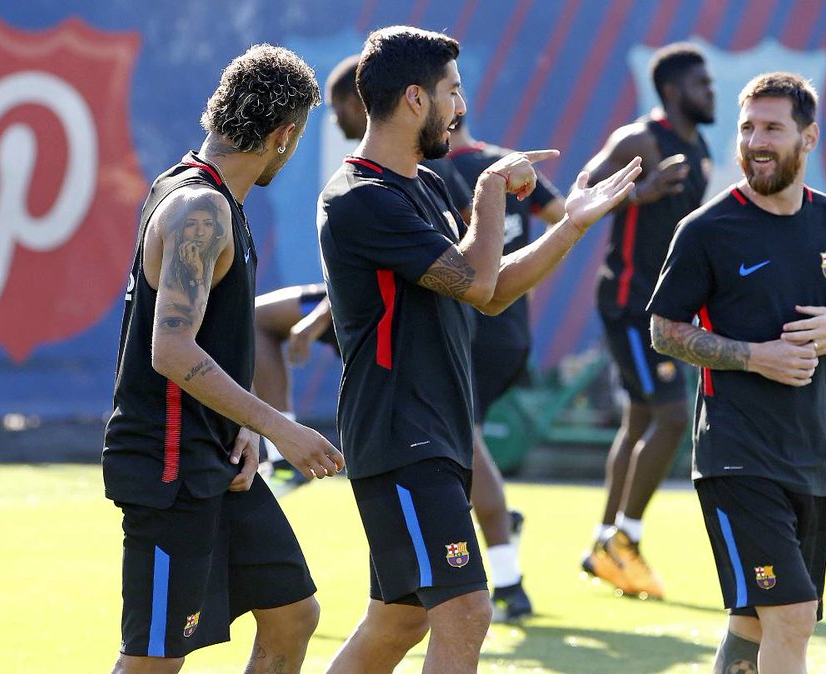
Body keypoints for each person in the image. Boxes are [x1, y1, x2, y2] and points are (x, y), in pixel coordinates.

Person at [317, 26, 639, 673]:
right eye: (452, 92)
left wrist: (571, 223)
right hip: (401, 438)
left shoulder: (425, 187)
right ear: (415, 99)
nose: (460, 107)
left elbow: (487, 295)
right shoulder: (361, 198)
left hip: (433, 433)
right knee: (466, 612)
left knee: (398, 621)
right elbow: (478, 278)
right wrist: (491, 189)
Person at [101, 44, 344, 674]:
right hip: (169, 466)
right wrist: (279, 426)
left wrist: (241, 425)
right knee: (154, 659)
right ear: (285, 135)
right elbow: (171, 349)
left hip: (217, 458)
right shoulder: (199, 207)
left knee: (293, 613)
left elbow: (210, 341)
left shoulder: (203, 196)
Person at [649, 72, 826, 673]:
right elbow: (664, 330)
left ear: (808, 138)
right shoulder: (706, 230)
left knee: (754, 624)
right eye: (747, 127)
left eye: (772, 128)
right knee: (793, 616)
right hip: (735, 458)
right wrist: (755, 356)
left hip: (808, 459)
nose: (756, 140)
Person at [253, 54, 472, 488]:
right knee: (257, 317)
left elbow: (470, 266)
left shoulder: (421, 168)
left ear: (363, 101)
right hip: (390, 308)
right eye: (452, 92)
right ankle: (281, 453)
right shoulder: (359, 185)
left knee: (457, 437)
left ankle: (499, 526)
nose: (335, 122)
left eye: (338, 109)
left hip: (425, 316)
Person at [580, 42, 715, 600]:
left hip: (665, 306)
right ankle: (625, 541)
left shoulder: (700, 145)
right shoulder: (640, 139)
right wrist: (640, 191)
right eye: (701, 84)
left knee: (639, 422)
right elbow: (580, 195)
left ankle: (601, 544)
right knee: (672, 416)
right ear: (672, 90)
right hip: (631, 305)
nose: (711, 92)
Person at [447, 116, 567, 620]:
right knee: (462, 445)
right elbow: (563, 214)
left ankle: (509, 581)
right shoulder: (502, 161)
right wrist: (526, 277)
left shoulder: (443, 170)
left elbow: (454, 254)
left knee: (464, 445)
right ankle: (499, 548)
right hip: (509, 324)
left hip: (476, 323)